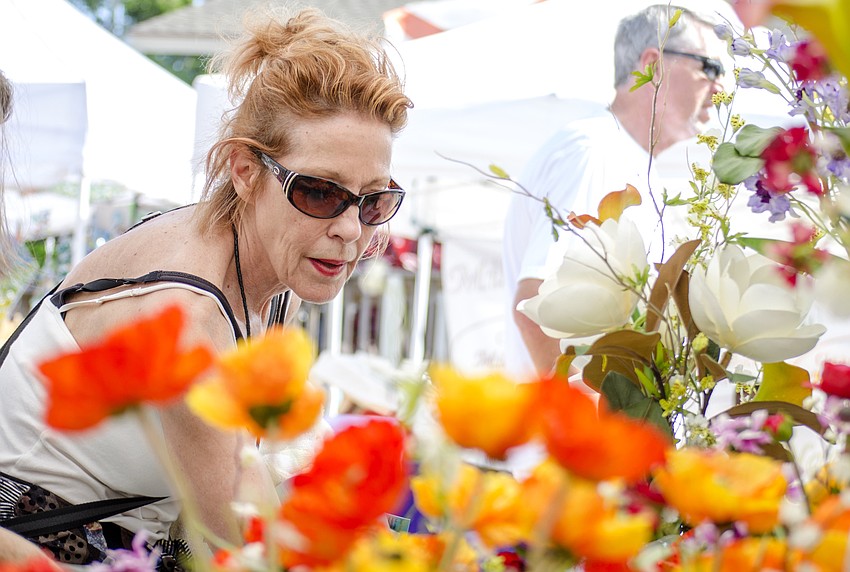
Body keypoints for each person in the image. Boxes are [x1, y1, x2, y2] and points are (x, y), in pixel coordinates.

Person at [0, 7, 411, 566]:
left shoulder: (268, 266)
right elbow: (248, 539)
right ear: (244, 170)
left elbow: (243, 473)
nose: (350, 227)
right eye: (319, 192)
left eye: (375, 200)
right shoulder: (188, 312)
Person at [502, 4, 728, 378]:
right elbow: (536, 305)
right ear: (654, 64)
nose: (719, 86)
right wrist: (594, 420)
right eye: (709, 67)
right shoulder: (596, 152)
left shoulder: (622, 156)